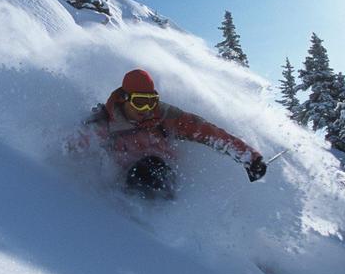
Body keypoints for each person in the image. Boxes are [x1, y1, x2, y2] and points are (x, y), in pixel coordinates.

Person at [72, 69, 268, 198]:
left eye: (152, 101)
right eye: (140, 102)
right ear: (124, 99)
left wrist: (249, 157)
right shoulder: (103, 124)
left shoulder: (164, 116)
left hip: (167, 179)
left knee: (152, 166)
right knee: (144, 170)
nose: (146, 108)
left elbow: (208, 132)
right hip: (124, 187)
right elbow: (70, 151)